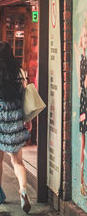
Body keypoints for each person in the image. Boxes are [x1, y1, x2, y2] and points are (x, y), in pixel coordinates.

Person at [0, 42, 31, 213]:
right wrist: (27, 118)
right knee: (17, 161)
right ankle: (23, 191)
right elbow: (25, 96)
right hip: (17, 117)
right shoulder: (19, 73)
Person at [75, 19, 87, 196]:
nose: (85, 38)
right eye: (84, 35)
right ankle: (82, 182)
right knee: (83, 142)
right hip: (84, 103)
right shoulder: (82, 57)